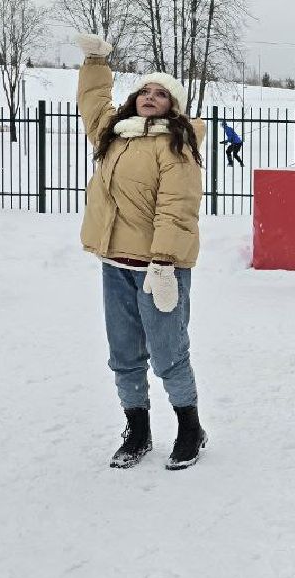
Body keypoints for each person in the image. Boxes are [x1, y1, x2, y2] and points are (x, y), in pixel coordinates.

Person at [75, 31, 208, 471]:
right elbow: (94, 106)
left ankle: (190, 427)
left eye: (161, 93)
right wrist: (95, 61)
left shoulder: (176, 145)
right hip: (115, 263)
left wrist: (164, 262)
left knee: (169, 353)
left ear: (174, 106)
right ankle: (138, 430)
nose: (151, 97)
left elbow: (177, 207)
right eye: (145, 91)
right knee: (124, 354)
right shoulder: (116, 135)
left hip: (158, 268)